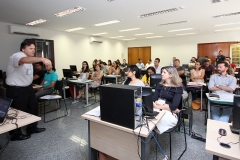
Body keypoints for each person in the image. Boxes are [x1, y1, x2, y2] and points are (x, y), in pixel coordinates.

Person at [6, 40, 51, 141]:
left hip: (28, 88)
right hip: (17, 89)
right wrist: (42, 59)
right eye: (31, 48)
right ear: (23, 49)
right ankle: (15, 134)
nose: (33, 50)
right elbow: (22, 60)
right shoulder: (17, 55)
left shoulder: (30, 61)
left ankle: (32, 128)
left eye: (34, 49)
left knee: (33, 108)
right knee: (17, 112)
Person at [152, 66, 183, 134]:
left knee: (153, 121)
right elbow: (154, 99)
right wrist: (166, 106)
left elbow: (173, 106)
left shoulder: (178, 88)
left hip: (169, 114)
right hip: (160, 109)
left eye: (164, 72)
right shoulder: (159, 85)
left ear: (171, 75)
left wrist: (157, 106)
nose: (162, 74)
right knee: (148, 119)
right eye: (162, 72)